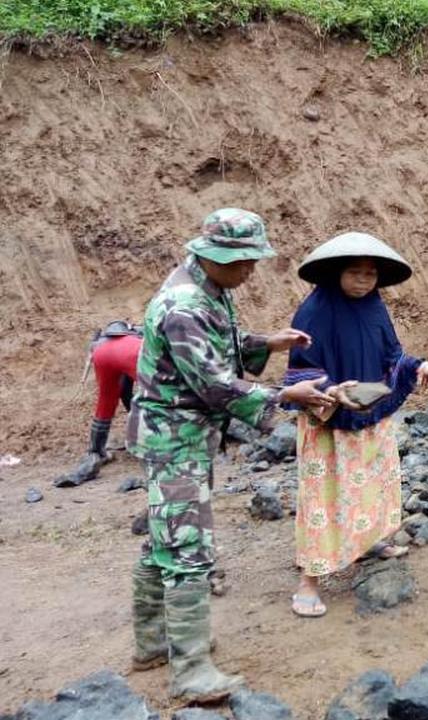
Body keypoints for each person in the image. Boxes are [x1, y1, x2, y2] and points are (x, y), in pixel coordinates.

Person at [128, 209, 335, 702]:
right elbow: (213, 383)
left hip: (183, 435)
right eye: (244, 261)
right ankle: (191, 670)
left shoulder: (208, 291)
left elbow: (217, 345)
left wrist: (267, 342)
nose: (251, 270)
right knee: (187, 547)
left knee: (166, 536)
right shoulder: (182, 304)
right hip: (173, 437)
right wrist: (287, 397)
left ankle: (154, 644)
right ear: (216, 256)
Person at [286, 232, 428, 618]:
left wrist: (427, 367)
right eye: (355, 272)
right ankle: (309, 580)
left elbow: (393, 356)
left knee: (373, 481)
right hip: (328, 420)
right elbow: (300, 373)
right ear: (336, 273)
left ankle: (365, 543)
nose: (364, 280)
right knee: (324, 496)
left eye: (371, 273)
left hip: (371, 413)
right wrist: (331, 392)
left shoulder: (375, 308)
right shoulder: (314, 312)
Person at [54, 321, 143, 487]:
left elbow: (123, 392)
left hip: (101, 352)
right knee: (156, 397)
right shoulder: (144, 340)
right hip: (132, 353)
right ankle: (156, 446)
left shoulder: (107, 339)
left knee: (106, 400)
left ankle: (96, 452)